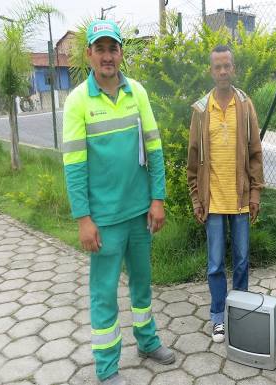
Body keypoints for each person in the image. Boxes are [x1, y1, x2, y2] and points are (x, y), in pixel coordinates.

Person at [62, 19, 175, 385]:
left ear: (121, 53)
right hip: (105, 219)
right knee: (104, 293)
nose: (108, 56)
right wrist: (83, 219)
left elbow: (154, 151)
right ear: (89, 55)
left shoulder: (136, 92)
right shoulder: (78, 101)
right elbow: (75, 167)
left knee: (142, 284)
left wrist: (157, 198)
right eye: (101, 49)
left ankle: (147, 342)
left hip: (140, 211)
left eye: (113, 48)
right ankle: (107, 368)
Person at [187, 45, 265, 343]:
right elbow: (193, 162)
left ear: (234, 69)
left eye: (227, 66)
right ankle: (218, 316)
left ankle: (241, 314)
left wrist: (256, 193)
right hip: (214, 202)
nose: (222, 71)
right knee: (216, 263)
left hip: (241, 199)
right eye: (217, 67)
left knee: (243, 260)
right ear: (211, 71)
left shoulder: (245, 106)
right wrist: (197, 199)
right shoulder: (201, 110)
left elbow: (256, 154)